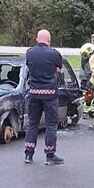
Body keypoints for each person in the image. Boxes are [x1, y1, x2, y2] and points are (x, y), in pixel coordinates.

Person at [24, 29, 64, 166]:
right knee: (51, 125)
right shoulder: (54, 54)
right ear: (49, 40)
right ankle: (50, 156)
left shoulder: (29, 53)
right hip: (50, 95)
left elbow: (29, 67)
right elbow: (59, 68)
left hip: (34, 93)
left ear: (37, 39)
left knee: (33, 124)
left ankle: (28, 154)